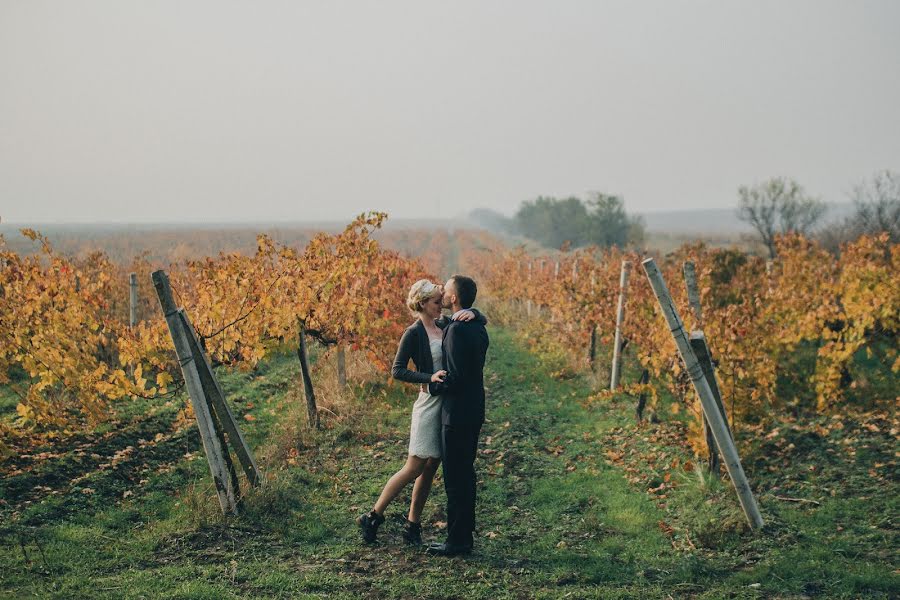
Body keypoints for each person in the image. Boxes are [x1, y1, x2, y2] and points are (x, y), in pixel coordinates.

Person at [356, 279, 485, 545]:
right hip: (428, 404)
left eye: (442, 300)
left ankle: (412, 526)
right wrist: (429, 377)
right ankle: (373, 515)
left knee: (430, 467)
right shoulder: (414, 332)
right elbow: (398, 369)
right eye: (437, 302)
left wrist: (476, 312)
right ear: (424, 304)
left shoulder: (445, 325)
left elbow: (468, 322)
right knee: (414, 466)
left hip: (447, 405)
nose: (442, 305)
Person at [426, 275, 489, 557]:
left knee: (455, 479)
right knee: (466, 474)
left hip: (457, 414)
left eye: (446, 289)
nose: (442, 290)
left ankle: (457, 542)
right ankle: (464, 536)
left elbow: (457, 377)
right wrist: (476, 312)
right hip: (474, 409)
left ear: (454, 299)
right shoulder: (475, 326)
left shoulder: (457, 331)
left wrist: (432, 385)